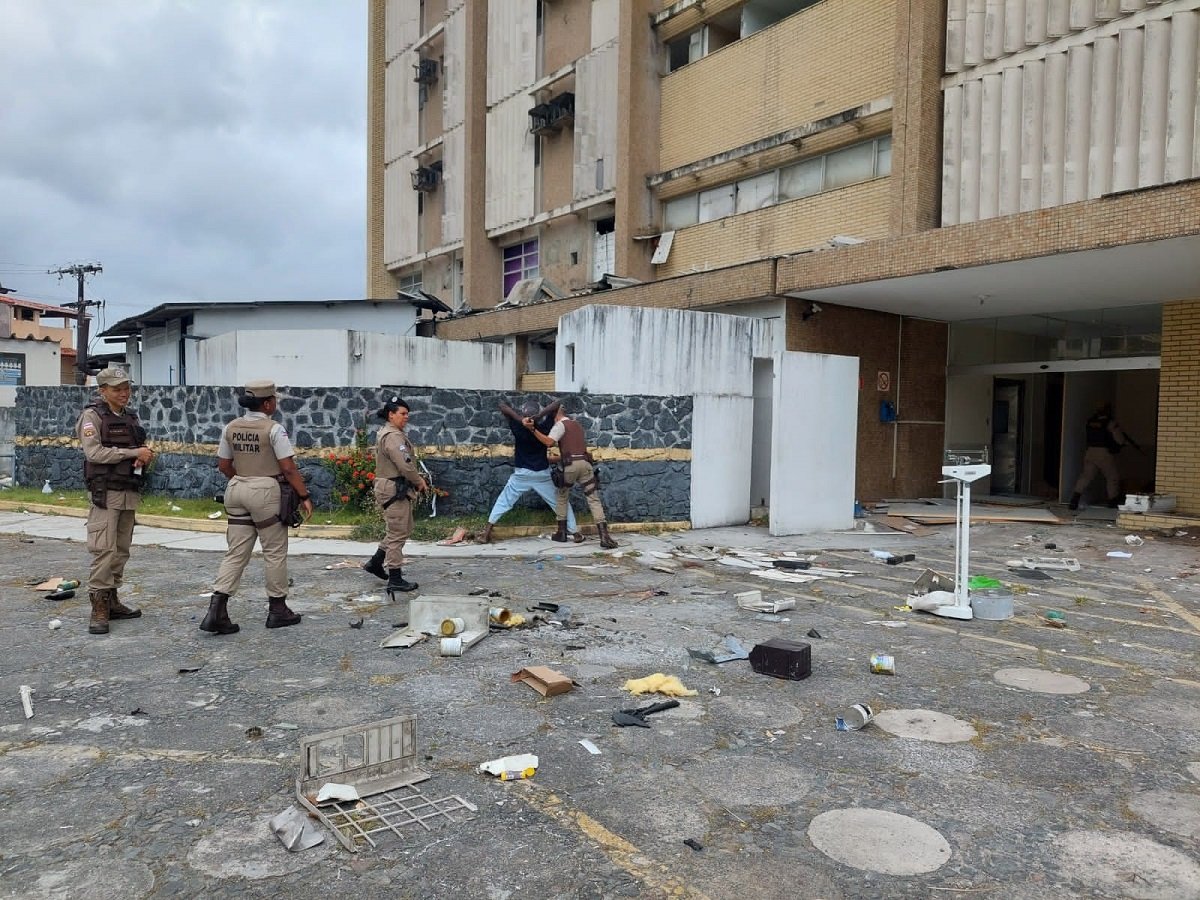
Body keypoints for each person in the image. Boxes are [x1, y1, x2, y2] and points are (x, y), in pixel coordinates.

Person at [201, 379, 313, 635]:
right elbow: (287, 467)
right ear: (267, 403)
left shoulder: (231, 427)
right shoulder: (274, 429)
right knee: (274, 551)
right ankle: (278, 609)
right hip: (265, 490)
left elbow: (223, 465)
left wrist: (243, 479)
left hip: (237, 487)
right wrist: (303, 494)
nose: (275, 402)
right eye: (274, 399)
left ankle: (217, 609)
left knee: (236, 552)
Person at [76, 366, 154, 635]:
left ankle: (112, 600)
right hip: (105, 494)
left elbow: (134, 448)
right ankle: (98, 607)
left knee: (121, 550)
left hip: (128, 491)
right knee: (103, 549)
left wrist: (143, 455)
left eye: (127, 388)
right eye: (117, 389)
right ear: (103, 390)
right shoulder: (92, 417)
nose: (124, 393)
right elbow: (94, 453)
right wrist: (132, 451)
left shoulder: (130, 417)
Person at [479, 398, 581, 544]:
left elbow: (502, 405)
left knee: (504, 501)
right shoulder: (544, 427)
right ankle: (575, 532)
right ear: (536, 414)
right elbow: (557, 404)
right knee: (559, 502)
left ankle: (486, 533)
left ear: (524, 413)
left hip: (522, 474)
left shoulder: (518, 427)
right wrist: (539, 417)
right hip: (542, 473)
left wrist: (520, 419)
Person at [526, 399, 618, 549]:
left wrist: (533, 430)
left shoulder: (560, 425)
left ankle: (561, 532)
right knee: (593, 499)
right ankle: (604, 536)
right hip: (585, 464)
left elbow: (549, 442)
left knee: (562, 496)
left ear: (556, 414)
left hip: (570, 467)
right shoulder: (577, 425)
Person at [362, 395, 426, 598]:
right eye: (402, 414)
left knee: (401, 528)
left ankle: (375, 562)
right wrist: (419, 481)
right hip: (393, 487)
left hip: (391, 486)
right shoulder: (393, 437)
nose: (406, 417)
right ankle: (395, 578)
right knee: (398, 532)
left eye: (407, 414)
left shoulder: (388, 432)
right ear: (391, 414)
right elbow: (405, 465)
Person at [1069, 403, 1128, 510]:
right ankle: (1112, 502)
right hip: (1103, 452)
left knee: (1085, 477)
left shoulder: (1090, 421)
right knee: (1112, 477)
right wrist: (1121, 443)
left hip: (1090, 451)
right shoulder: (1110, 422)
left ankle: (1074, 501)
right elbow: (1119, 439)